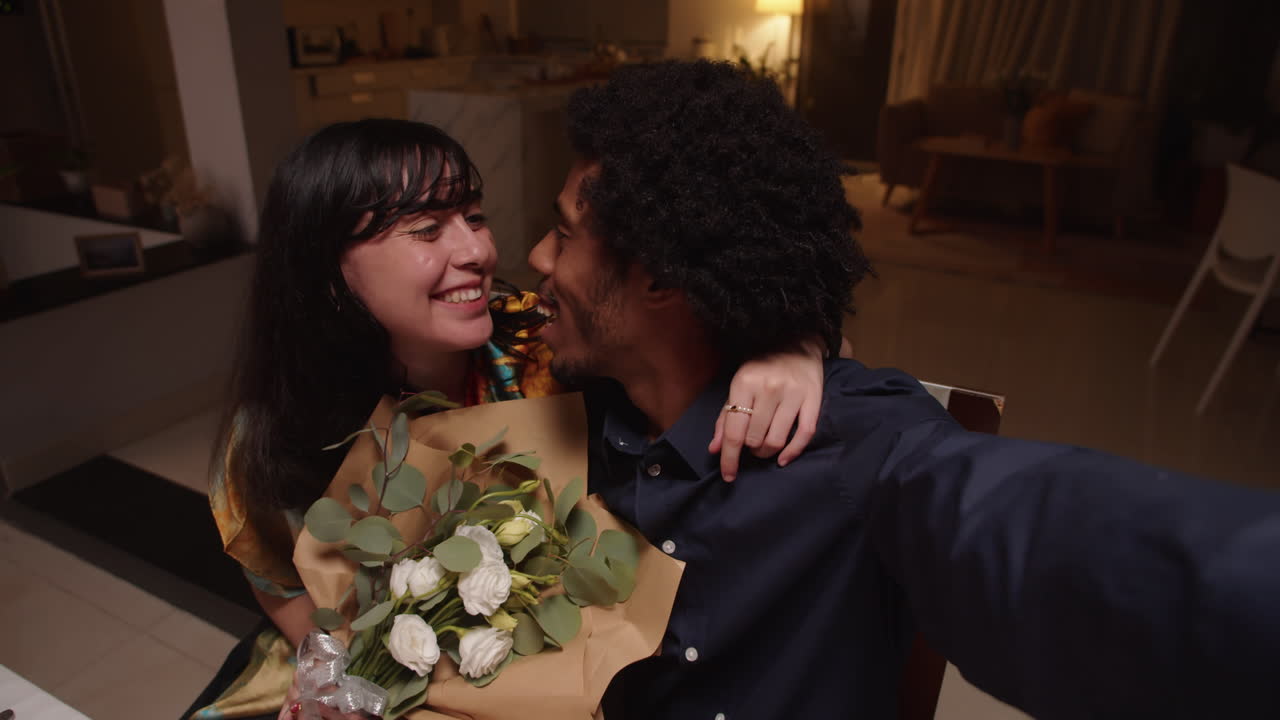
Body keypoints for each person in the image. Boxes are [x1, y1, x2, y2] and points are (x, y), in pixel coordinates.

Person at [527, 59, 1280, 719]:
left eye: (563, 235)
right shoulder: (559, 403)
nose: (536, 255)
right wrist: (807, 332)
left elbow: (1037, 535)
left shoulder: (852, 445)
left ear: (660, 278)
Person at [185, 118, 834, 720]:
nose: (477, 251)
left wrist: (795, 346)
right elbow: (272, 572)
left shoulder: (539, 346)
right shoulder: (273, 428)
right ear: (327, 272)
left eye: (474, 215)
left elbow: (705, 314)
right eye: (428, 229)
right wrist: (332, 666)